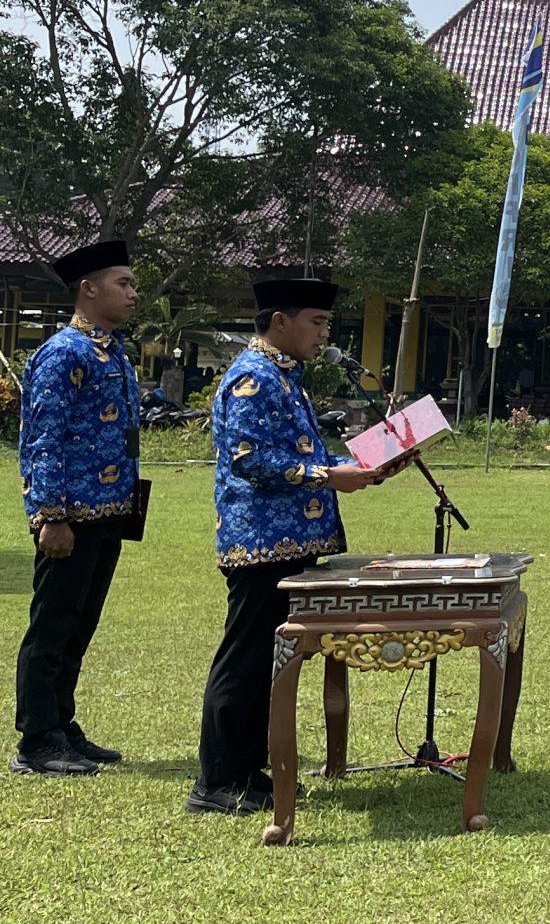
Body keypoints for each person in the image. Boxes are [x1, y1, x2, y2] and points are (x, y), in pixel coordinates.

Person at [194, 277, 401, 816]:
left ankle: (248, 770)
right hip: (261, 542)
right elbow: (249, 460)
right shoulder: (253, 377)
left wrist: (365, 465)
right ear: (279, 320)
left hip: (291, 539)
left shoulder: (286, 376)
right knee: (246, 657)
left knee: (272, 659)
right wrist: (329, 476)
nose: (324, 332)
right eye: (317, 321)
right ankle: (217, 782)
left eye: (327, 323)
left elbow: (305, 449)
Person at [13, 239, 143, 779]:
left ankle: (62, 724)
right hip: (71, 515)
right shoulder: (64, 353)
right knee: (52, 625)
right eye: (124, 283)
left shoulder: (111, 350)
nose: (134, 294)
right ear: (88, 289)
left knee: (79, 624)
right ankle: (36, 739)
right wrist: (50, 515)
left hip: (108, 510)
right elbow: (42, 439)